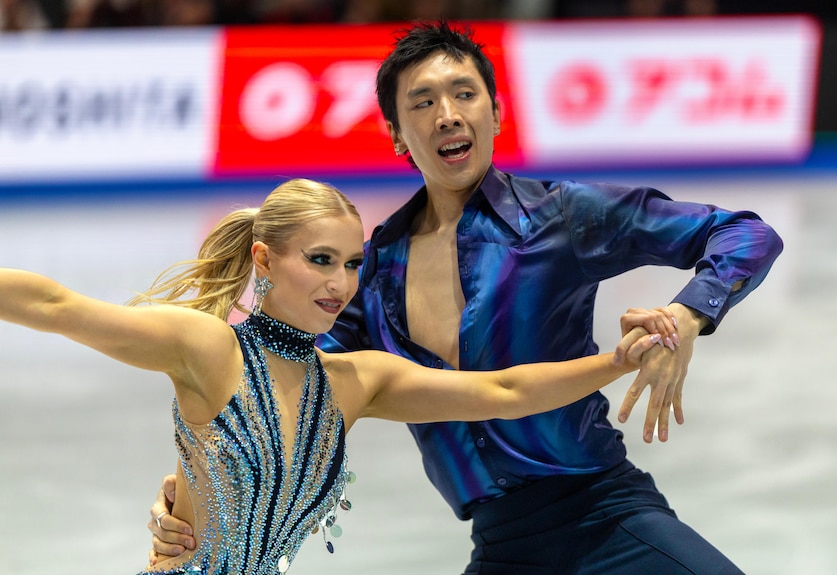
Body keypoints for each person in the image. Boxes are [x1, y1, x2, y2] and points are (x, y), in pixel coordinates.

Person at [150, 21, 784, 574]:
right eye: (423, 102)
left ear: (496, 114)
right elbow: (286, 388)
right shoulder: (374, 270)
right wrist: (190, 488)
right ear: (398, 135)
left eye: (464, 94)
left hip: (607, 520)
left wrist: (686, 315)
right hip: (499, 545)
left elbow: (745, 233)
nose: (447, 114)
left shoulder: (562, 215)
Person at [0, 178, 671, 574]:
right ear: (264, 259)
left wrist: (616, 361)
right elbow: (55, 305)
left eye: (351, 264)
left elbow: (505, 391)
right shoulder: (207, 348)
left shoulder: (354, 381)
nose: (340, 283)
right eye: (320, 260)